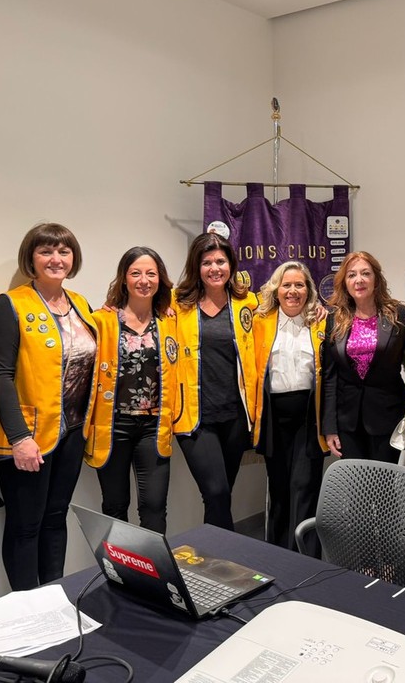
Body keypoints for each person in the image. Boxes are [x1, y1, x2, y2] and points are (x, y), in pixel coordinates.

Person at [0, 222, 97, 591]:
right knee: (25, 525)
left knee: (55, 517)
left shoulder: (80, 304)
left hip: (72, 432)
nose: (56, 259)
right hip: (28, 436)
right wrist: (19, 438)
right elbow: (0, 375)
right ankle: (26, 606)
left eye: (63, 251)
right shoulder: (9, 305)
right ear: (30, 259)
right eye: (46, 251)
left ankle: (53, 596)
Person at [85, 247, 179, 534]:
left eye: (151, 273)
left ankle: (151, 563)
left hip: (154, 425)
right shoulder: (102, 321)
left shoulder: (170, 321)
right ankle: (119, 561)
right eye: (136, 273)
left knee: (154, 506)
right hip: (114, 425)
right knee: (115, 504)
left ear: (160, 279)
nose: (144, 280)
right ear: (124, 278)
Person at [173, 232, 257, 530]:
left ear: (231, 264)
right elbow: (137, 307)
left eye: (220, 261)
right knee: (217, 492)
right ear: (196, 267)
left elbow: (284, 312)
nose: (214, 268)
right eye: (206, 262)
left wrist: (317, 310)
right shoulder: (177, 304)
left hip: (235, 416)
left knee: (221, 496)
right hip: (195, 417)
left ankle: (212, 554)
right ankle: (228, 555)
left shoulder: (248, 303)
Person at [252, 261, 328, 552]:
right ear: (276, 289)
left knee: (305, 487)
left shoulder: (320, 322)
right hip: (273, 416)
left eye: (299, 285)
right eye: (286, 285)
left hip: (309, 417)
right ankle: (278, 556)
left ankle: (305, 558)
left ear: (308, 290)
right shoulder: (260, 322)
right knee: (279, 489)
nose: (292, 291)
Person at [322, 251, 405, 464]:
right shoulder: (335, 319)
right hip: (347, 421)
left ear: (376, 279)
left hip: (387, 415)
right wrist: (329, 427)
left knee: (383, 480)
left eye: (365, 273)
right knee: (354, 481)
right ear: (344, 283)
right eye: (352, 275)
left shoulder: (399, 314)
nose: (359, 280)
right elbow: (330, 377)